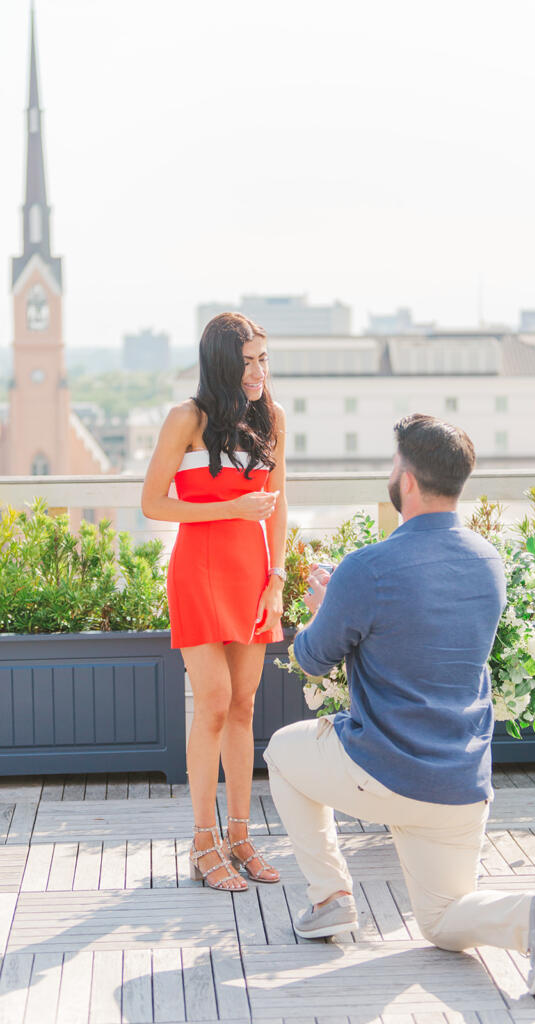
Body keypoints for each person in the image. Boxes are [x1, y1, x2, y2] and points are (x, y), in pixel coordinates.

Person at [264, 413, 535, 995]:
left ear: (406, 480)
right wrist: (347, 601)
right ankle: (533, 914)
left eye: (393, 465)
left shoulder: (368, 567)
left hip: (383, 771)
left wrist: (323, 605)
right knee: (441, 922)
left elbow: (310, 657)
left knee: (283, 751)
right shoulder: (489, 562)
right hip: (460, 781)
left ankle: (330, 897)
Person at [142, 312, 287, 891]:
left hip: (252, 576)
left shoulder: (271, 418)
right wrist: (229, 509)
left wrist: (276, 582)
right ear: (222, 364)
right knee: (215, 701)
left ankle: (241, 836)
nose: (257, 371)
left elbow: (279, 507)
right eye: (247, 361)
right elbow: (153, 503)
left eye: (263, 359)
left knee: (245, 705)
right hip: (197, 572)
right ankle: (203, 842)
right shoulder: (187, 419)